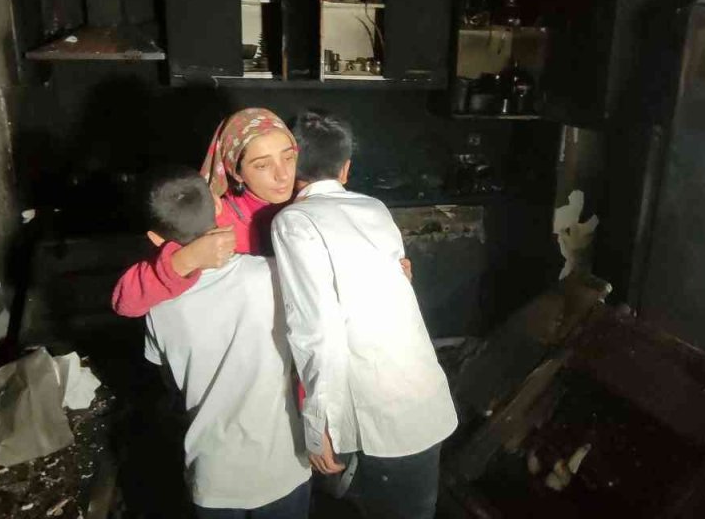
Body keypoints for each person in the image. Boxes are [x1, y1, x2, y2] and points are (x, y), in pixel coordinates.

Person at [271, 111, 457, 519]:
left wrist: (317, 425)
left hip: (383, 417)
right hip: (424, 397)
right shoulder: (374, 207)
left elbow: (316, 331)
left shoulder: (295, 222)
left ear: (290, 165)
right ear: (346, 168)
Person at [141, 168, 312, 519]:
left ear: (155, 239)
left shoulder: (156, 306)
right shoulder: (271, 275)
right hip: (283, 466)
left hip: (212, 475)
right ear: (218, 207)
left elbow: (168, 380)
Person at [113, 108, 298, 318]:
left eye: (289, 157)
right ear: (236, 172)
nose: (283, 175)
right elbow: (127, 302)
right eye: (262, 165)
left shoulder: (312, 206)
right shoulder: (210, 218)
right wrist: (188, 259)